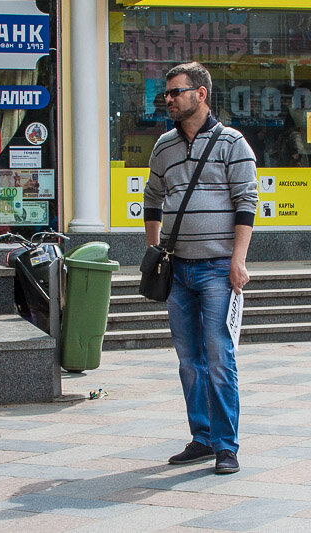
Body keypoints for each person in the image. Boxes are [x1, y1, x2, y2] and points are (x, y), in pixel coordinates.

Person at [143, 62, 258, 475]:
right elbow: (152, 199)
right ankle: (203, 438)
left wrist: (238, 261)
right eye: (167, 94)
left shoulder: (233, 143)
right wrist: (153, 252)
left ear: (201, 93)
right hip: (178, 272)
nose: (169, 99)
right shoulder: (163, 147)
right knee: (188, 361)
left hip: (217, 270)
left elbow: (247, 204)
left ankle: (227, 446)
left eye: (176, 92)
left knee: (219, 358)